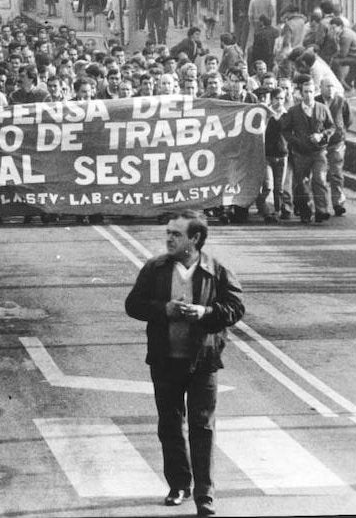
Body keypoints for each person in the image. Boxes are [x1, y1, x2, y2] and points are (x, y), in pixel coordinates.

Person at [125, 209, 245, 518]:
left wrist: (205, 313)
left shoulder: (216, 271)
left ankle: (205, 494)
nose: (168, 238)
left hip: (203, 361)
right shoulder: (155, 269)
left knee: (202, 426)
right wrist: (163, 308)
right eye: (168, 232)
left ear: (195, 239)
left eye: (176, 234)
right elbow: (133, 305)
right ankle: (178, 485)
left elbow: (235, 307)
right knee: (169, 425)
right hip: (165, 360)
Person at [280, 75, 335, 224]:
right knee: (301, 184)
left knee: (320, 179)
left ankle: (321, 210)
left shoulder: (322, 108)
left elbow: (331, 127)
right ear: (300, 93)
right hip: (300, 153)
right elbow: (285, 130)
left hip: (318, 152)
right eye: (305, 92)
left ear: (314, 91)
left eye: (311, 91)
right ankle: (305, 211)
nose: (308, 95)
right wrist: (296, 141)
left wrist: (322, 135)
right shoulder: (294, 111)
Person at [315, 79, 351, 216]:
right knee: (320, 175)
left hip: (336, 143)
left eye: (332, 86)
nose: (330, 89)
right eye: (327, 86)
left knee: (336, 173)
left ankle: (338, 203)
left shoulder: (341, 101)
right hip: (320, 144)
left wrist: (341, 132)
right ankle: (321, 206)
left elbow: (348, 119)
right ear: (321, 87)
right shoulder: (316, 101)